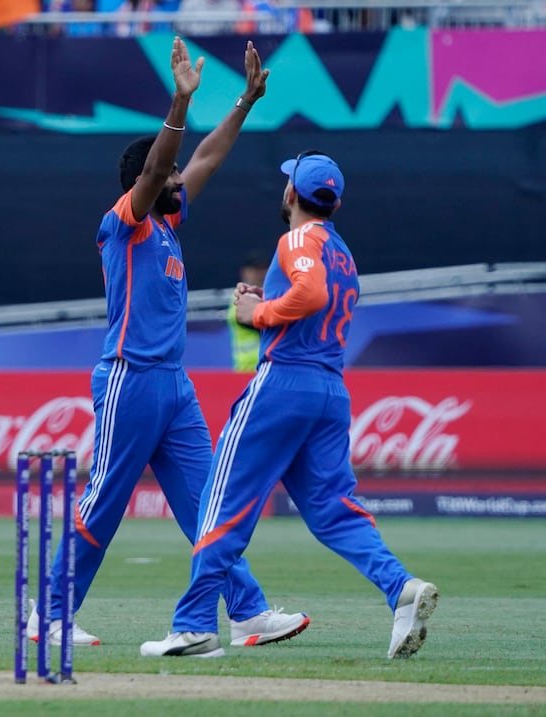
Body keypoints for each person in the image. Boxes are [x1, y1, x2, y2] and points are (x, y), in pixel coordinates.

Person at [28, 38, 308, 654]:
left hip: (173, 387)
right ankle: (47, 615)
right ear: (146, 183)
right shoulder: (124, 223)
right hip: (128, 379)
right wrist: (179, 103)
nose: (182, 177)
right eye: (170, 173)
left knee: (210, 504)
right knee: (104, 504)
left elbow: (207, 156)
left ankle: (248, 612)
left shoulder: (167, 223)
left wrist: (245, 102)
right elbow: (161, 168)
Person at [140, 151, 438, 660]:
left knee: (219, 503)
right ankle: (400, 587)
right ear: (335, 202)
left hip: (283, 385)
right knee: (332, 510)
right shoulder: (341, 251)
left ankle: (194, 627)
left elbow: (311, 293)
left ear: (293, 193)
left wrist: (258, 312)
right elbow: (315, 295)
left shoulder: (299, 238)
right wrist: (270, 296)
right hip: (329, 391)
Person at [227, 250, 268, 372]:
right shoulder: (239, 298)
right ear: (245, 272)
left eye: (263, 269)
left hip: (266, 368)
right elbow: (264, 323)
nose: (260, 274)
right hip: (247, 370)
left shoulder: (270, 296)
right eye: (255, 270)